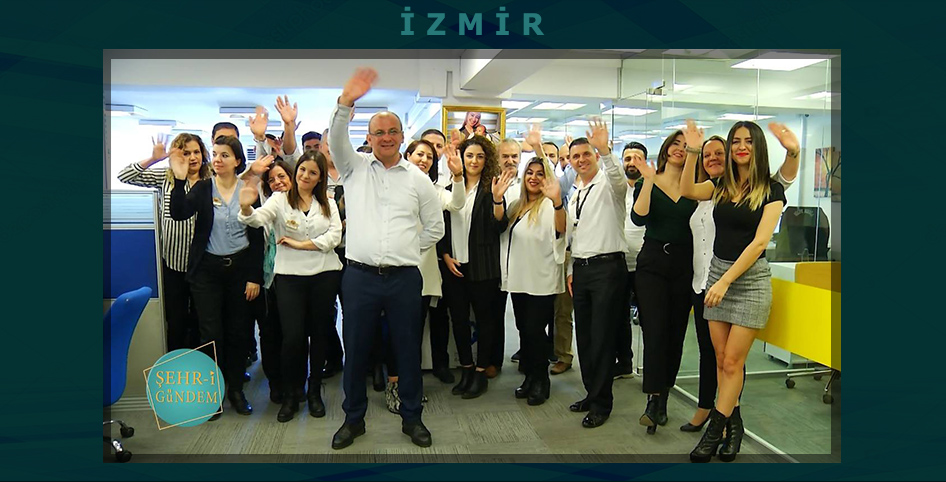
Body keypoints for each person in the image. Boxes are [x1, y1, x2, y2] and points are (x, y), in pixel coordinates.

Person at [328, 67, 445, 450]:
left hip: (404, 278)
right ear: (369, 137)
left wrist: (407, 250)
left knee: (407, 351)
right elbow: (335, 139)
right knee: (356, 350)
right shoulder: (353, 168)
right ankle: (353, 420)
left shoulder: (418, 179)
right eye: (378, 132)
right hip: (359, 277)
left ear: (402, 136)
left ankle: (412, 418)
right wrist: (345, 102)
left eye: (393, 131)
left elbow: (435, 228)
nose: (386, 137)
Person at [681, 120, 796, 463]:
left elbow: (759, 243)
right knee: (721, 360)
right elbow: (687, 190)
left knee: (733, 361)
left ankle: (714, 431)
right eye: (736, 141)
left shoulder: (771, 189)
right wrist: (692, 151)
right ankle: (735, 426)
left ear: (758, 146)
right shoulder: (721, 185)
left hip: (748, 281)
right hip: (719, 273)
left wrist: (725, 281)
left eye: (748, 141)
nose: (741, 147)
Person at [239, 151, 343, 423]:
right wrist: (247, 208)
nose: (305, 176)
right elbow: (257, 219)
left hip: (324, 274)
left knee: (319, 335)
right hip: (289, 277)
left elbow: (334, 236)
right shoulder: (280, 200)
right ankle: (291, 394)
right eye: (302, 170)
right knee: (293, 338)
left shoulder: (327, 202)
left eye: (313, 173)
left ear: (320, 178)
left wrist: (300, 244)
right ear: (296, 172)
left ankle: (314, 392)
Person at [169, 136, 265, 419]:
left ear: (238, 161)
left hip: (240, 270)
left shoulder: (248, 189)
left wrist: (254, 277)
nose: (218, 160)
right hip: (207, 272)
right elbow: (178, 213)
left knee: (238, 332)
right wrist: (179, 180)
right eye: (215, 154)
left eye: (225, 155)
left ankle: (236, 390)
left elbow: (257, 237)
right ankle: (213, 393)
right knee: (210, 334)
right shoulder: (203, 187)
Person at [380, 139, 465, 414]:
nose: (424, 159)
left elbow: (457, 203)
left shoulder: (434, 190)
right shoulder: (391, 186)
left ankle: (411, 386)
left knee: (413, 333)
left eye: (429, 156)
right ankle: (394, 384)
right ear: (407, 155)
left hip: (424, 272)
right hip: (393, 269)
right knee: (396, 332)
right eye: (419, 154)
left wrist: (458, 176)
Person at [630, 129, 697, 435]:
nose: (680, 148)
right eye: (676, 143)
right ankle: (653, 400)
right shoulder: (648, 180)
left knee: (675, 333)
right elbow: (639, 218)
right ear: (667, 148)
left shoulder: (695, 187)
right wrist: (648, 180)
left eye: (686, 145)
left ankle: (664, 395)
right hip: (653, 263)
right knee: (655, 331)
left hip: (684, 264)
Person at [117, 133, 210, 352]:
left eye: (196, 152)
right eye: (186, 153)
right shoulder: (165, 177)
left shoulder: (211, 179)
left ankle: (201, 367)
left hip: (204, 264)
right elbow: (124, 175)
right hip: (173, 264)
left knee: (202, 322)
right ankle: (176, 366)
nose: (192, 157)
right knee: (176, 322)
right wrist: (153, 159)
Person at [564, 119, 627, 429]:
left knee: (602, 339)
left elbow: (620, 180)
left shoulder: (609, 184)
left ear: (596, 156)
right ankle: (592, 393)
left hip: (607, 268)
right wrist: (570, 270)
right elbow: (573, 235)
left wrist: (606, 151)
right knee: (586, 338)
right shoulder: (576, 190)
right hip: (582, 269)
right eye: (575, 156)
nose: (581, 160)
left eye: (587, 154)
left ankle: (602, 403)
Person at [438, 135, 511, 399]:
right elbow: (440, 226)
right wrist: (445, 255)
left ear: (486, 160)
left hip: (482, 267)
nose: (474, 161)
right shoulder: (449, 188)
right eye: (469, 155)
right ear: (461, 158)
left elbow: (498, 226)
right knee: (458, 320)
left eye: (480, 156)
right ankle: (466, 369)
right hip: (454, 266)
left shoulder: (492, 187)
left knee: (485, 320)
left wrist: (498, 200)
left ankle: (481, 372)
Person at [500, 128, 567, 406]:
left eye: (540, 174)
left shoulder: (551, 206)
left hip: (541, 280)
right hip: (519, 279)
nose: (534, 178)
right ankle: (529, 377)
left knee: (535, 332)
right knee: (524, 331)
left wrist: (539, 148)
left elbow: (562, 231)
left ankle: (541, 381)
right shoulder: (517, 206)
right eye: (530, 173)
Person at [252, 159, 294, 405]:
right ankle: (275, 384)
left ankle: (294, 384)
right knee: (269, 333)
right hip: (267, 280)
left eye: (282, 177)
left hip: (294, 278)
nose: (277, 182)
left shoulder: (303, 205)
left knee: (293, 334)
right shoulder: (265, 207)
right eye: (271, 180)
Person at [614, 142, 647, 380]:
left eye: (637, 158)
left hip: (646, 265)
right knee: (619, 316)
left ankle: (652, 368)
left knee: (649, 318)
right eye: (627, 158)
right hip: (619, 263)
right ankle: (624, 362)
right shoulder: (616, 190)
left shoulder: (652, 188)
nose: (632, 162)